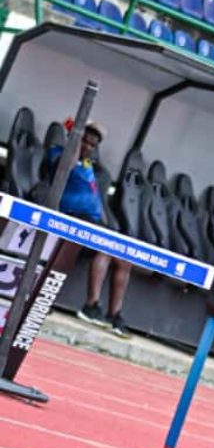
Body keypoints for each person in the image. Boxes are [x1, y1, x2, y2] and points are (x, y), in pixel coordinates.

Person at [45, 121, 133, 339]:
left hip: (93, 223)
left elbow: (95, 198)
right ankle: (91, 306)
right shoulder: (58, 153)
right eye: (84, 141)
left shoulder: (88, 165)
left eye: (92, 144)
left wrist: (107, 226)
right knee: (105, 248)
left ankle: (114, 315)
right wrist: (75, 139)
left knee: (125, 258)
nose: (87, 147)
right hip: (71, 220)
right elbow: (65, 167)